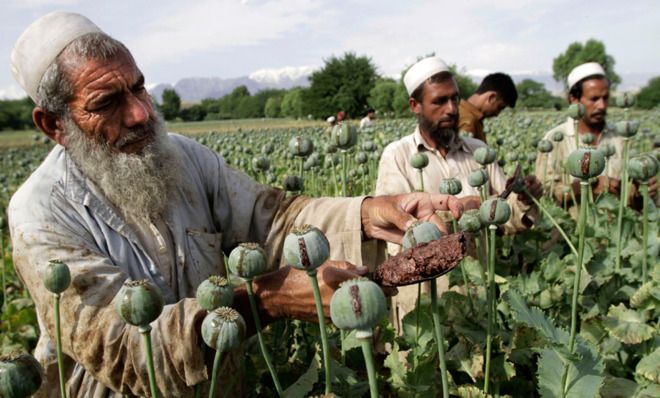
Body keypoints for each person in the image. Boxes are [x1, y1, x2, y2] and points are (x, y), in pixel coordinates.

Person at [8, 13, 465, 397]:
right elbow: (126, 350)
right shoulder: (41, 214)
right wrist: (267, 300)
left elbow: (272, 219)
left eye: (139, 88)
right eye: (108, 102)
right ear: (54, 124)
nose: (141, 113)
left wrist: (367, 213)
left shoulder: (182, 156)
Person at [375, 56, 542, 331]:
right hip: (425, 306)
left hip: (476, 298)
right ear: (415, 106)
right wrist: (458, 210)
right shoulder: (397, 156)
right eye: (439, 101)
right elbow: (394, 232)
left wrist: (523, 200)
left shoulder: (478, 151)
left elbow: (506, 219)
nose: (451, 109)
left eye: (455, 99)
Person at [534, 62, 657, 205]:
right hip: (570, 226)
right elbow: (544, 195)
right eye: (594, 99)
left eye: (605, 98)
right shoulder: (554, 139)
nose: (602, 105)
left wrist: (641, 192)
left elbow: (630, 194)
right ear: (573, 99)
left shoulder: (621, 137)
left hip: (616, 225)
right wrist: (587, 186)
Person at [458, 73, 518, 143]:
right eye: (500, 108)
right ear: (491, 97)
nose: (497, 114)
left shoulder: (462, 112)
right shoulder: (468, 122)